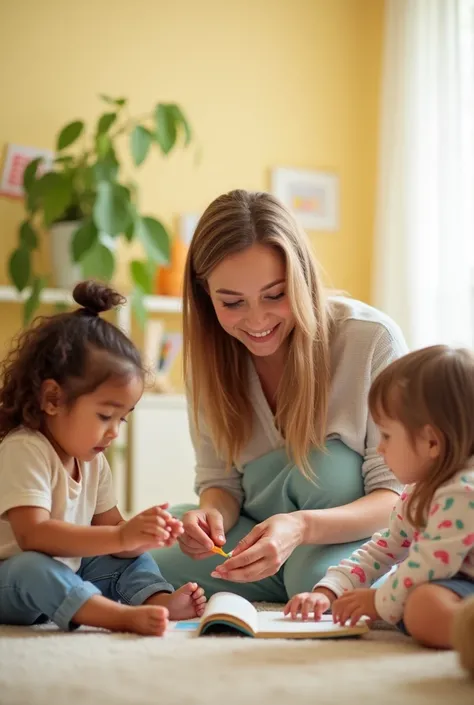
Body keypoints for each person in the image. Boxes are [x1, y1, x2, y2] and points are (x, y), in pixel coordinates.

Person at [152, 189, 408, 601]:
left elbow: (396, 500)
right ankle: (276, 575)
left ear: (302, 278)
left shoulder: (370, 340)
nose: (256, 321)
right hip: (254, 532)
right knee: (138, 558)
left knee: (317, 569)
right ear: (205, 296)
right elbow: (222, 486)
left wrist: (300, 528)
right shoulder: (208, 363)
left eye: (275, 295)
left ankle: (295, 577)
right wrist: (210, 518)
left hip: (352, 536)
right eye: (232, 303)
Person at [0, 281, 206, 635]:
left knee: (128, 557)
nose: (114, 432)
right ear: (52, 399)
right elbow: (33, 534)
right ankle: (115, 616)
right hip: (12, 580)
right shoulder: (25, 448)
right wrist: (121, 536)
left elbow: (111, 533)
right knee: (32, 566)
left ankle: (156, 600)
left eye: (122, 418)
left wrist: (143, 536)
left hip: (67, 571)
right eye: (104, 416)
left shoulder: (93, 461)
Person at [285, 345, 474, 649]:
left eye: (386, 435)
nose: (381, 448)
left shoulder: (464, 493)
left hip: (458, 585)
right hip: (457, 587)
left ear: (432, 442)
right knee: (417, 599)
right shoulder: (417, 491)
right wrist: (330, 591)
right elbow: (382, 549)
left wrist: (378, 600)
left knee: (423, 606)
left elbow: (429, 564)